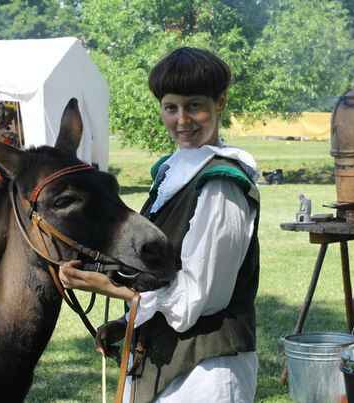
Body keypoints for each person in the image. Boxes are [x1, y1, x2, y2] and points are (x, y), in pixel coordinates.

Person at [60, 47, 260, 403]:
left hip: (206, 375)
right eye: (171, 108)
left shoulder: (221, 187)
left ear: (221, 103)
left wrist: (112, 288)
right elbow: (162, 273)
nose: (182, 120)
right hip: (167, 366)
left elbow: (197, 301)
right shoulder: (172, 172)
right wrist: (127, 324)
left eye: (195, 105)